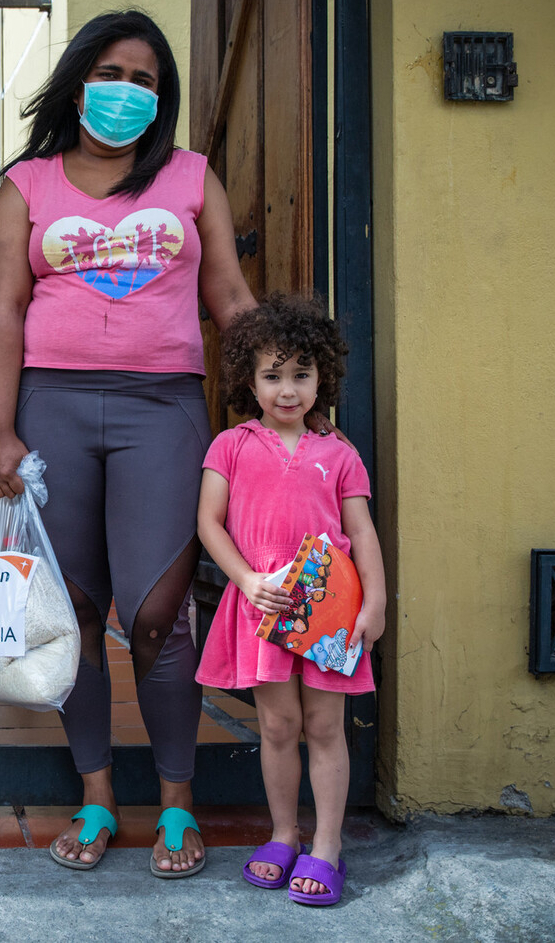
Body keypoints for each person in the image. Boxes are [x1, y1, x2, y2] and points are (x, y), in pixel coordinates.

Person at [0, 9, 259, 878]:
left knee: (156, 617)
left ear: (161, 97)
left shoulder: (189, 178)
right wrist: (0, 431)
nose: (127, 92)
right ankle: (97, 795)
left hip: (164, 410)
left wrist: (284, 399)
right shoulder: (26, 186)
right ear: (78, 78)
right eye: (112, 72)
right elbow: (1, 316)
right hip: (53, 410)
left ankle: (178, 807)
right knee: (77, 619)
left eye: (145, 80)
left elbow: (233, 303)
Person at [194, 293, 387, 907]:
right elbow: (209, 524)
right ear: (249, 381)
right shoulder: (229, 446)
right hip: (266, 604)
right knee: (278, 726)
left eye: (301, 375)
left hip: (329, 609)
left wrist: (375, 602)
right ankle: (283, 834)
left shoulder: (340, 453)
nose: (287, 389)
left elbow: (360, 533)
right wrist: (247, 581)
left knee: (326, 726)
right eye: (272, 375)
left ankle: (326, 845)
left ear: (321, 378)